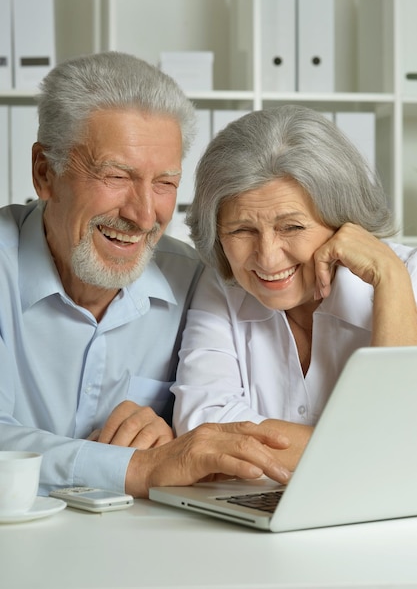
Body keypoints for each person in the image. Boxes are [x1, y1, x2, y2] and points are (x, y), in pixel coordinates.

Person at [0, 52, 291, 499]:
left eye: (165, 184)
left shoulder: (198, 281)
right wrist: (137, 467)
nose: (142, 214)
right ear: (45, 173)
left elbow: (210, 439)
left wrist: (174, 439)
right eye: (116, 176)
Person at [172, 104, 417, 471]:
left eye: (292, 227)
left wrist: (391, 279)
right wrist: (369, 448)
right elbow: (204, 427)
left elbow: (405, 441)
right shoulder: (223, 283)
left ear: (342, 221)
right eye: (242, 230)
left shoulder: (407, 273)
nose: (268, 258)